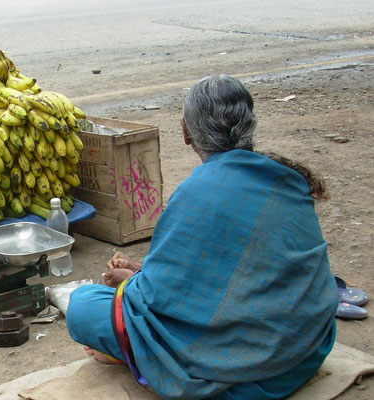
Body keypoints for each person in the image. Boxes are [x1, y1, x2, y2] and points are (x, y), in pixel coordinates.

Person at [66, 75, 337, 400]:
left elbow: (162, 299)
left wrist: (131, 283)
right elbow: (235, 277)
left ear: (185, 131)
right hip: (300, 356)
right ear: (249, 124)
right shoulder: (288, 181)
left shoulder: (195, 191)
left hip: (238, 370)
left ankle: (151, 366)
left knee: (83, 306)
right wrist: (141, 273)